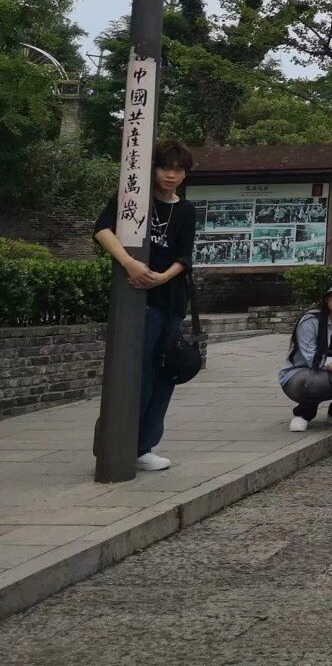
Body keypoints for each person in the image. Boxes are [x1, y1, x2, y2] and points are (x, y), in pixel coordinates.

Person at [92, 140, 197, 472]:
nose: (170, 175)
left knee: (165, 374)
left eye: (178, 170)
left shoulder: (186, 210)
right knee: (136, 373)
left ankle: (144, 445)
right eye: (165, 167)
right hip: (138, 301)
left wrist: (161, 277)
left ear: (185, 174)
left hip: (170, 302)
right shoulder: (133, 198)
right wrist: (129, 263)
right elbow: (102, 230)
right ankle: (116, 440)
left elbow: (185, 256)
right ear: (153, 169)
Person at [279, 277, 332, 432]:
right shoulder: (310, 320)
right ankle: (303, 414)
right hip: (300, 376)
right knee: (317, 380)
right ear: (326, 298)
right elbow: (311, 357)